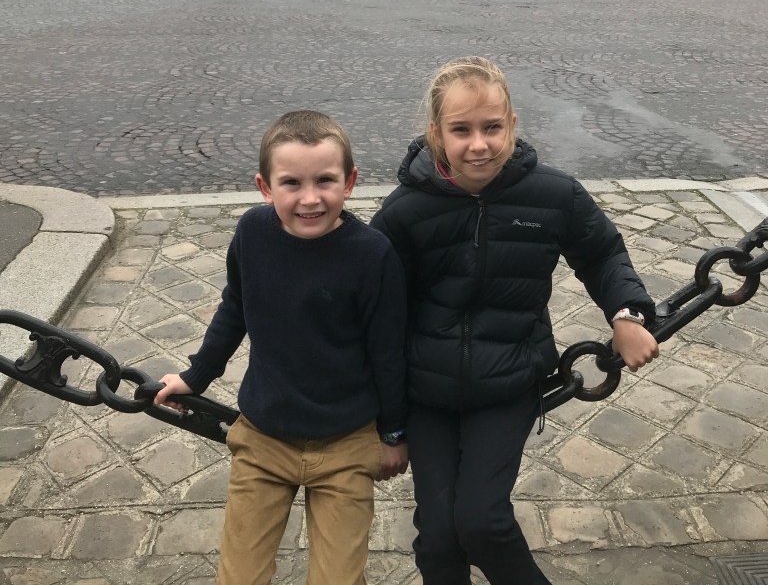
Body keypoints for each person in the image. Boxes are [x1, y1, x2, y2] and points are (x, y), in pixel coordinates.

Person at [370, 56, 659, 585]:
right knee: (438, 537)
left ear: (512, 125)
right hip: (427, 391)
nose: (479, 144)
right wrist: (381, 418)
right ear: (436, 133)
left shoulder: (553, 195)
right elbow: (375, 307)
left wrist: (627, 312)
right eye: (461, 130)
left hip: (508, 381)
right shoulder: (404, 212)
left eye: (492, 127)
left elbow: (602, 253)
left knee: (481, 520)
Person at [154, 110, 409, 585]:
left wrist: (394, 433)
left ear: (350, 182)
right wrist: (196, 375)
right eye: (291, 183)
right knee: (239, 577)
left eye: (325, 180)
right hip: (264, 436)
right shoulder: (253, 234)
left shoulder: (372, 255)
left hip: (346, 441)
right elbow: (236, 305)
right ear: (265, 187)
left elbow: (388, 351)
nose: (310, 198)